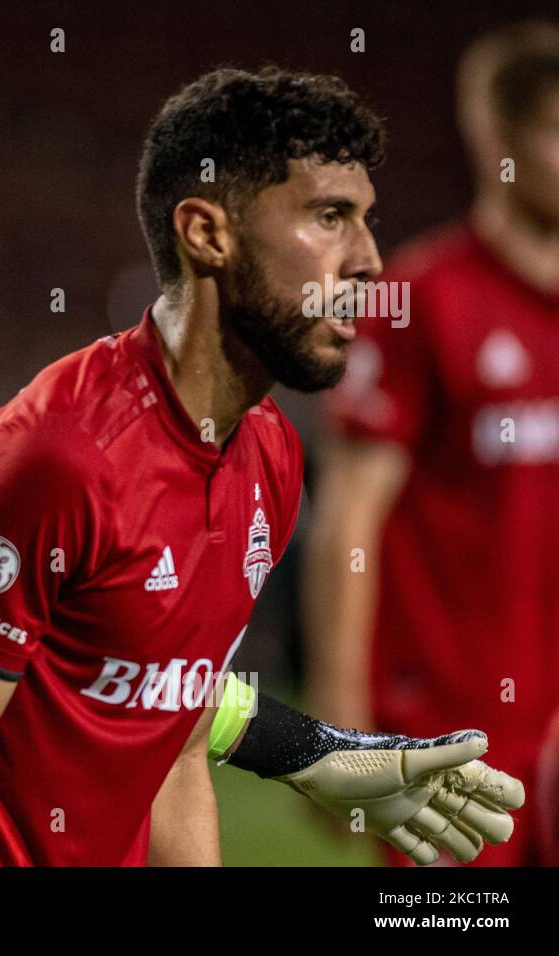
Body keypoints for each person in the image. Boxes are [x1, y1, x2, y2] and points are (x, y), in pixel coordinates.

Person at [0, 67, 524, 866]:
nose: (370, 262)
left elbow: (173, 748)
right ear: (207, 233)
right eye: (329, 217)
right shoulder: (59, 458)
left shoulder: (270, 453)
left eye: (367, 221)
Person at [309, 23, 559, 866]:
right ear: (499, 144)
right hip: (453, 728)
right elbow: (350, 517)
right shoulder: (421, 299)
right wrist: (340, 724)